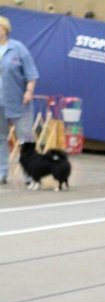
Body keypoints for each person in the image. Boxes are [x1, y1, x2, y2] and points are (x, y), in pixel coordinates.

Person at [0, 15, 39, 184]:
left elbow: (31, 74)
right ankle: (2, 172)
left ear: (4, 30)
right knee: (0, 138)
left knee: (25, 139)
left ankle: (29, 174)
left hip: (19, 101)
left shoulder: (18, 48)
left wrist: (29, 91)